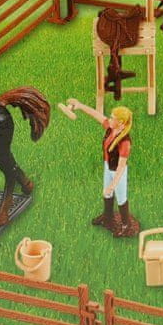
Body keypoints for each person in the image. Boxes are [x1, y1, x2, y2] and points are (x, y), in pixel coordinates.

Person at [63, 98, 141, 238]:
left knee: (121, 197)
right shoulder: (111, 129)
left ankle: (126, 225)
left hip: (117, 172)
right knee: (106, 194)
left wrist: (112, 185)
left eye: (112, 118)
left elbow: (121, 167)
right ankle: (107, 217)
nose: (109, 119)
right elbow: (96, 115)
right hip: (108, 166)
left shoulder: (125, 142)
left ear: (120, 122)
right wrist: (80, 105)